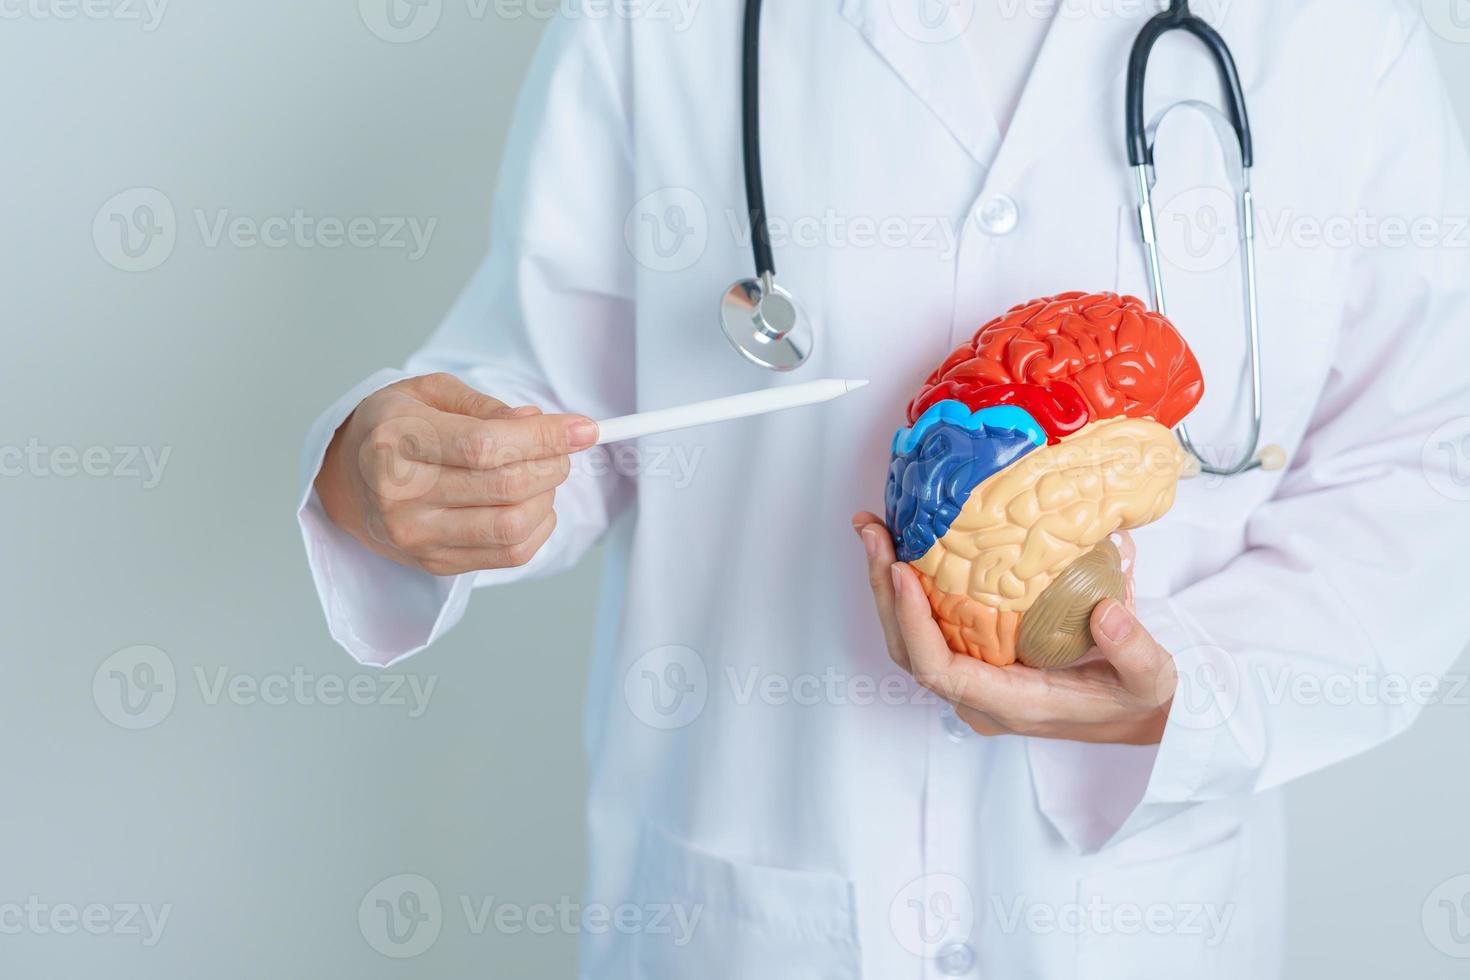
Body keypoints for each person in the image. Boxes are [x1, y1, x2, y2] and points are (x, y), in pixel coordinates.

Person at [299, 2, 1470, 976]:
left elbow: (1424, 459)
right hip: (749, 907)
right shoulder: (662, 22)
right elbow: (551, 403)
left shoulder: (1337, 30)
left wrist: (1194, 691)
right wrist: (393, 472)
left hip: (1133, 921)